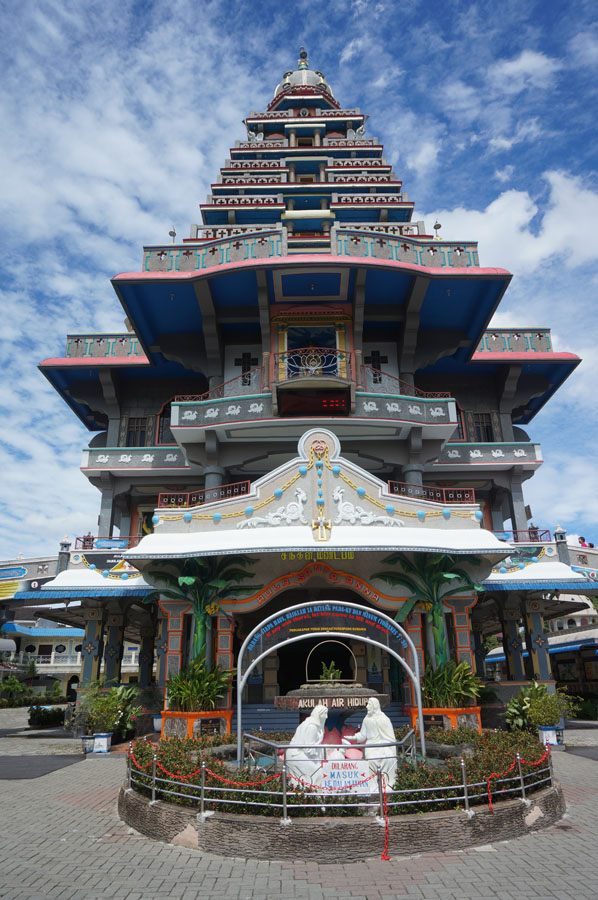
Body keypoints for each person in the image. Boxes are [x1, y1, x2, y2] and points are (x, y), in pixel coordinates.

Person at [343, 697, 397, 786]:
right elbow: (362, 735)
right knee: (370, 759)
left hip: (384, 746)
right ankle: (373, 784)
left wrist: (389, 747)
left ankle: (387, 783)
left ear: (374, 706)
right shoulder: (367, 719)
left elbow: (390, 737)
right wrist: (353, 737)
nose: (367, 707)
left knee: (389, 758)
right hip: (371, 746)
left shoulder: (384, 719)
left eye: (369, 705)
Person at [285, 704, 328, 786]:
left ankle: (307, 791)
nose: (326, 717)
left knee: (318, 768)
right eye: (324, 714)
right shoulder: (312, 726)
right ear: (318, 714)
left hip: (299, 753)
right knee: (318, 771)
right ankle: (312, 792)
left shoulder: (310, 723)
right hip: (297, 754)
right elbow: (309, 748)